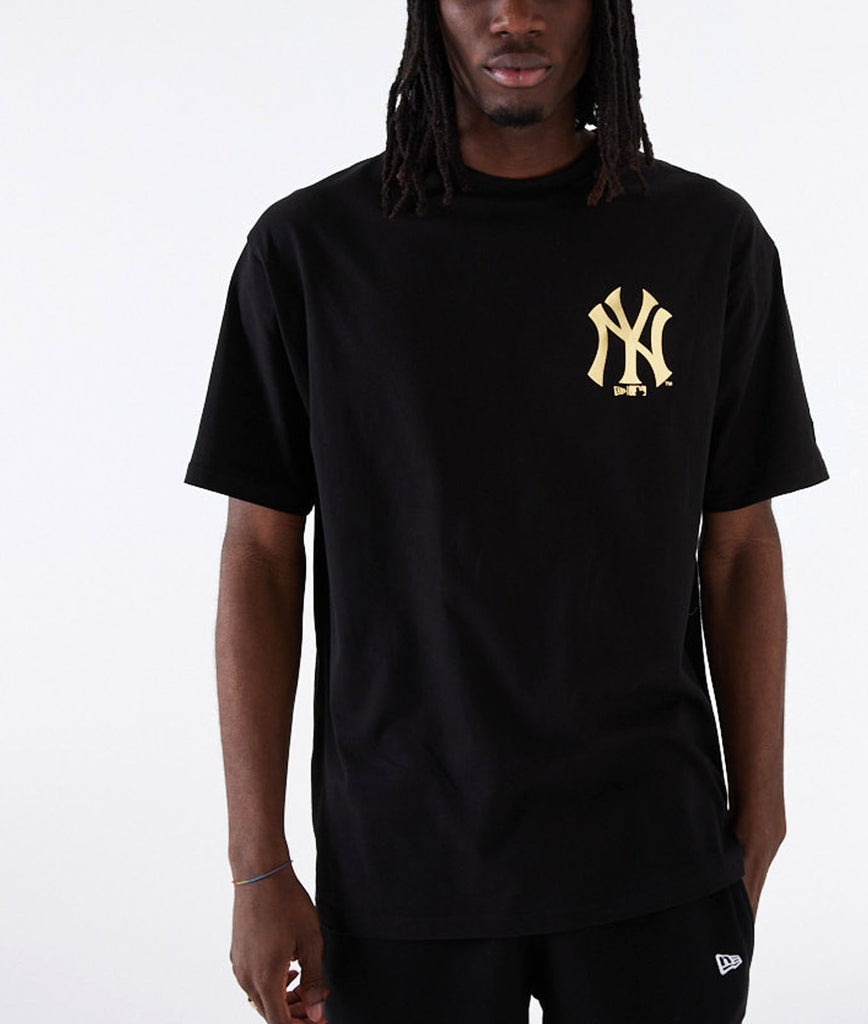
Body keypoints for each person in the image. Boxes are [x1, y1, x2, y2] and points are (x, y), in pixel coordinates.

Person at [184, 1, 830, 1021]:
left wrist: (762, 817)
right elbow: (260, 554)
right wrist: (256, 865)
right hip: (403, 861)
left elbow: (741, 544)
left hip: (651, 851)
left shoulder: (706, 240)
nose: (514, 16)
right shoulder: (312, 251)